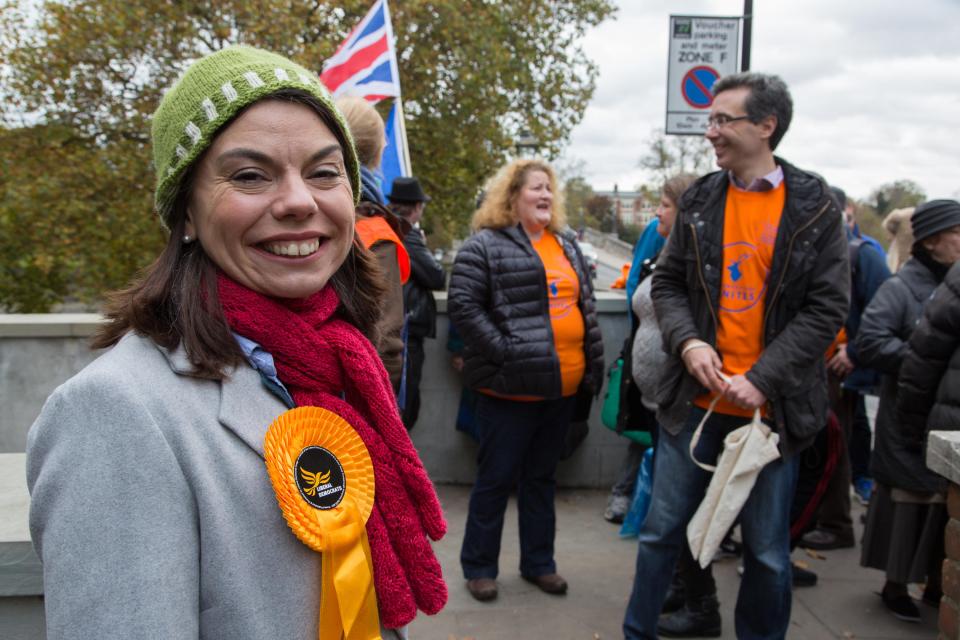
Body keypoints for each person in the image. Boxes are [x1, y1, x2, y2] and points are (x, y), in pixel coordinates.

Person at [26, 46, 446, 639]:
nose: (301, 200)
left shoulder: (337, 366)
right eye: (250, 175)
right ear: (187, 215)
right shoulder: (112, 412)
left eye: (325, 172)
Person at [624, 72, 849, 640]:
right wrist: (691, 342)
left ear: (766, 126)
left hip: (768, 419)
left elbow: (827, 309)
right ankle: (637, 632)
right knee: (660, 535)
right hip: (692, 409)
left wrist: (764, 380)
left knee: (768, 554)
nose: (711, 131)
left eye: (724, 119)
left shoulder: (814, 204)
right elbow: (668, 285)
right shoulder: (702, 196)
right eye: (711, 120)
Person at [448, 158, 604, 603]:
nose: (546, 196)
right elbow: (463, 306)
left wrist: (590, 366)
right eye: (537, 188)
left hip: (563, 389)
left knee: (541, 479)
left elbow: (585, 309)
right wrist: (506, 350)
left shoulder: (566, 245)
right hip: (509, 388)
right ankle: (479, 567)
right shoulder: (485, 246)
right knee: (496, 477)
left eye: (550, 190)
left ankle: (540, 564)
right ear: (512, 195)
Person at [858, 199, 960, 622]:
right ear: (933, 240)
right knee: (907, 505)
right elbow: (868, 341)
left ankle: (938, 585)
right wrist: (923, 360)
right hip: (907, 412)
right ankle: (895, 584)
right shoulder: (899, 287)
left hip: (944, 412)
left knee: (943, 505)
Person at [800, 186, 891, 551]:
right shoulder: (819, 249)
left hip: (836, 371)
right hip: (812, 366)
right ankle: (819, 519)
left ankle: (837, 525)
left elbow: (885, 310)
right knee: (816, 448)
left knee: (832, 449)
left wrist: (853, 351)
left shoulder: (863, 255)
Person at [336, 95, 410, 394]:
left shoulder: (311, 213)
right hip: (358, 393)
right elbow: (386, 338)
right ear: (378, 152)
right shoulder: (374, 229)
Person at [387, 177, 446, 430]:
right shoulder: (405, 234)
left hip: (394, 328)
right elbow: (437, 277)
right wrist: (420, 243)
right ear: (416, 207)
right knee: (404, 408)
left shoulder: (383, 227)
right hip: (406, 333)